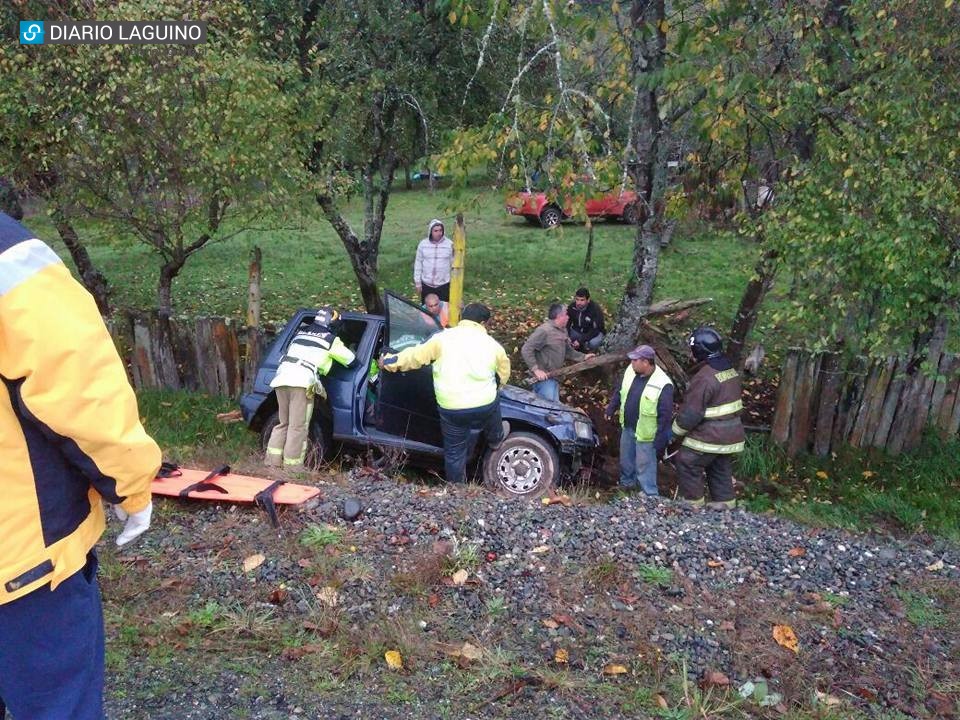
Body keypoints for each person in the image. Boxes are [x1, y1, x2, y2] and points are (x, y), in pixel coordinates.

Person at [0, 211, 161, 720]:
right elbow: (78, 385)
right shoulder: (9, 255)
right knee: (55, 703)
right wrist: (130, 487)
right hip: (22, 562)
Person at [380, 303, 510, 484]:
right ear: (483, 323)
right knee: (494, 401)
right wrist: (496, 386)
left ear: (462, 317)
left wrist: (388, 361)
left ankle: (457, 491)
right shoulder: (494, 346)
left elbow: (414, 356)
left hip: (452, 408)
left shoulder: (442, 339)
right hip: (483, 404)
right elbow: (503, 374)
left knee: (455, 452)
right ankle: (496, 438)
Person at [265, 306, 355, 469]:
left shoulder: (300, 333)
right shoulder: (330, 339)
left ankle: (272, 463)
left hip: (281, 379)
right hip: (301, 382)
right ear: (332, 323)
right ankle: (293, 468)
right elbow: (351, 360)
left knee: (283, 422)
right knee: (298, 426)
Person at [670, 327, 746, 509]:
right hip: (731, 434)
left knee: (687, 461)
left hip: (711, 435)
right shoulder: (729, 370)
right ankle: (725, 503)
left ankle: (692, 504)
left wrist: (672, 433)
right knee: (719, 466)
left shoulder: (704, 378)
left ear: (698, 350)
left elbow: (691, 414)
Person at [605, 345, 674, 496]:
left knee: (645, 465)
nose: (632, 363)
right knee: (626, 460)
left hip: (647, 432)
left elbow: (666, 413)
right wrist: (611, 408)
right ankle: (627, 486)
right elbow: (620, 390)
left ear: (646, 362)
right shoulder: (631, 371)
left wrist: (661, 436)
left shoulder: (663, 383)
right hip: (628, 426)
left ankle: (649, 494)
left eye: (635, 360)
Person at [521, 302, 594, 401]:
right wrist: (536, 370)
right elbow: (526, 349)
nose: (568, 317)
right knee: (546, 409)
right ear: (559, 316)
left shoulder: (563, 330)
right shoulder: (544, 331)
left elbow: (567, 350)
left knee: (552, 407)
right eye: (566, 314)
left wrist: (583, 357)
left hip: (554, 377)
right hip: (544, 379)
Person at [413, 219, 454, 302]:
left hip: (443, 285)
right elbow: (418, 263)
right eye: (435, 231)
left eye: (440, 230)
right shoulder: (423, 244)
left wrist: (453, 284)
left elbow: (453, 265)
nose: (439, 233)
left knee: (443, 310)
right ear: (430, 231)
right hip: (427, 285)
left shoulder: (450, 244)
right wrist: (418, 283)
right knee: (427, 310)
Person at [567, 287, 605, 351]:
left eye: (582, 300)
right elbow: (567, 323)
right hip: (577, 331)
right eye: (577, 299)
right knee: (563, 336)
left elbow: (596, 329)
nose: (579, 303)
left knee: (593, 343)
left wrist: (580, 340)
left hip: (593, 333)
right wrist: (566, 336)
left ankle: (585, 348)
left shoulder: (595, 309)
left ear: (588, 300)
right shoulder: (572, 307)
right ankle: (576, 346)